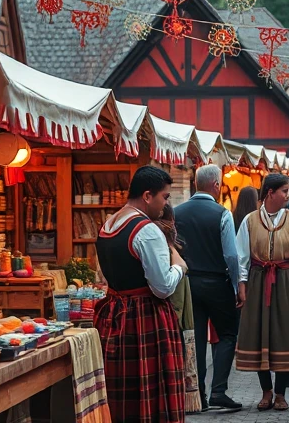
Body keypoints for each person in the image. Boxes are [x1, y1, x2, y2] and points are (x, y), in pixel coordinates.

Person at [95, 166, 187, 422]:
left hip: (115, 314)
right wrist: (179, 268)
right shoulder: (146, 230)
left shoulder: (108, 225)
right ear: (147, 195)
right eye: (165, 197)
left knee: (122, 392)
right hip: (144, 317)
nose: (166, 203)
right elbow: (162, 286)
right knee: (151, 387)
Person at [235, 173, 289, 411]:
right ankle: (266, 391)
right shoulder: (250, 221)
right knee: (259, 333)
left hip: (286, 281)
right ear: (270, 193)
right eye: (284, 190)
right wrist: (242, 285)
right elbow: (241, 256)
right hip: (258, 280)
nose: (288, 195)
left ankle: (281, 394)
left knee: (285, 334)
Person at [173, 164, 242, 412]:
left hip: (187, 283)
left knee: (196, 339)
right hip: (216, 282)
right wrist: (236, 286)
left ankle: (198, 395)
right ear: (216, 185)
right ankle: (219, 391)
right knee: (227, 334)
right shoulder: (222, 213)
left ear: (194, 184)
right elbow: (231, 256)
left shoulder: (175, 212)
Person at [159, 206, 203, 414]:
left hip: (173, 310)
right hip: (170, 312)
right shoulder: (165, 247)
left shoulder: (168, 246)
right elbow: (168, 286)